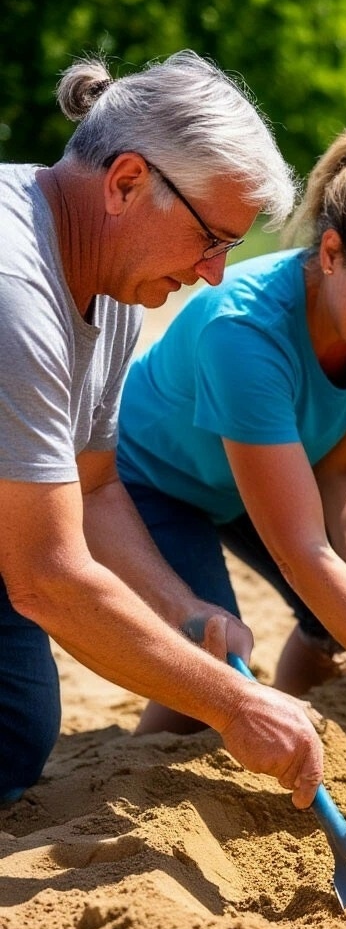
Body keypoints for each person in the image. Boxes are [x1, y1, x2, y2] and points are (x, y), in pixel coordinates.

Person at [115, 128, 346, 796]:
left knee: (342, 620)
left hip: (254, 481)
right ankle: (134, 781)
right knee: (210, 655)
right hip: (156, 480)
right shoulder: (244, 330)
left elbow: (344, 469)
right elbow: (299, 548)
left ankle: (288, 742)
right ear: (330, 253)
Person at [0, 50, 326, 808]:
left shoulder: (115, 284)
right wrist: (237, 704)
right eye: (211, 237)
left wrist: (186, 612)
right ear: (125, 183)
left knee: (19, 730)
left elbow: (94, 484)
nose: (215, 273)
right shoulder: (16, 291)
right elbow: (46, 577)